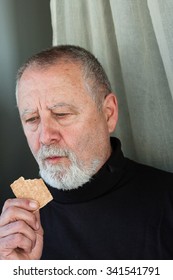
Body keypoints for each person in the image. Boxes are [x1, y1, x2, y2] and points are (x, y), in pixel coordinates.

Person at [0, 45, 173, 260]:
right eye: (32, 119)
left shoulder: (166, 201)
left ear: (108, 114)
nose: (45, 137)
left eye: (61, 114)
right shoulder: (12, 231)